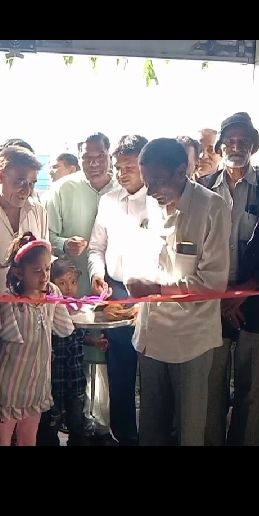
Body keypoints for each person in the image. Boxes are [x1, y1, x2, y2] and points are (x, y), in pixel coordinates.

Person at [127, 137, 230, 446]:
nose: (150, 190)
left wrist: (156, 289)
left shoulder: (212, 207)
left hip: (190, 339)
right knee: (151, 427)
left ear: (182, 170)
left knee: (189, 429)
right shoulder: (152, 202)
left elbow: (212, 284)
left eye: (157, 181)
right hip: (151, 334)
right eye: (146, 181)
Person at [201, 112, 259, 447]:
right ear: (220, 145)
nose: (236, 146)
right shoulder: (203, 187)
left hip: (256, 304)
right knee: (209, 391)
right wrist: (222, 296)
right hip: (212, 306)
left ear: (254, 146)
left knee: (251, 392)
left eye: (244, 141)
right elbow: (194, 249)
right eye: (230, 140)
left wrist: (243, 292)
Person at [88, 134, 149, 446]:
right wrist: (97, 275)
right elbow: (96, 248)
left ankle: (154, 434)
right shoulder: (109, 201)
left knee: (152, 371)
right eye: (119, 167)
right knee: (120, 368)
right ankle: (124, 436)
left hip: (153, 294)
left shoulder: (160, 201)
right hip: (117, 293)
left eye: (130, 167)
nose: (122, 173)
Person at [0, 234, 74, 446]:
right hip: (9, 389)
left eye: (47, 269)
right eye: (37, 271)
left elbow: (64, 329)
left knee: (29, 440)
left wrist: (58, 300)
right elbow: (10, 338)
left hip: (36, 386)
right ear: (19, 273)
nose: (44, 276)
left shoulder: (52, 293)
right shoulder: (9, 301)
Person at [48, 132, 117, 298]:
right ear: (79, 158)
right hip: (71, 292)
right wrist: (64, 244)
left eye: (100, 156)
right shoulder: (62, 189)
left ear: (110, 156)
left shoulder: (123, 190)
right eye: (87, 158)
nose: (94, 163)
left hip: (118, 289)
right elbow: (44, 234)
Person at [0, 145, 48, 296]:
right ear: (1, 176)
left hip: (28, 307)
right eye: (20, 182)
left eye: (32, 183)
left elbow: (45, 260)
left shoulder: (39, 212)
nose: (27, 191)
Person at [37, 256, 88, 446]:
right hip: (54, 379)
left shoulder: (80, 308)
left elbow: (79, 336)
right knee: (51, 421)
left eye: (73, 282)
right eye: (62, 283)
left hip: (75, 377)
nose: (69, 288)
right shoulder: (50, 307)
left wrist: (94, 341)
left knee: (77, 420)